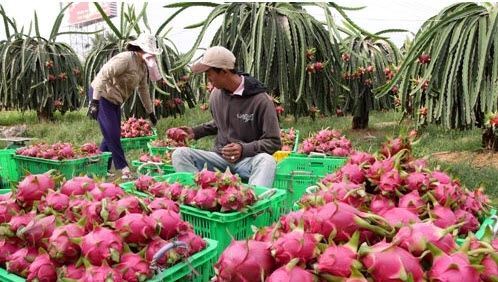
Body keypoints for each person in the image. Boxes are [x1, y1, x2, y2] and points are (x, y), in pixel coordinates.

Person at [171, 46, 281, 188]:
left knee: (267, 161)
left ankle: (254, 203)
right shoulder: (216, 95)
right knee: (180, 154)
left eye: (209, 73)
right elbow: (220, 123)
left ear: (223, 72)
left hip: (247, 160)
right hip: (219, 159)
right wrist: (196, 131)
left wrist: (243, 148)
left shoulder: (261, 100)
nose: (207, 79)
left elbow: (274, 141)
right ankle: (201, 196)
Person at [88, 33, 162, 180]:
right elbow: (102, 76)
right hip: (102, 95)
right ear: (141, 49)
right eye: (150, 51)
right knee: (113, 134)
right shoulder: (125, 59)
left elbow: (143, 90)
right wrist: (94, 101)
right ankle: (124, 169)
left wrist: (150, 112)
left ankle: (99, 168)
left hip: (115, 101)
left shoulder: (142, 67)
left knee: (110, 135)